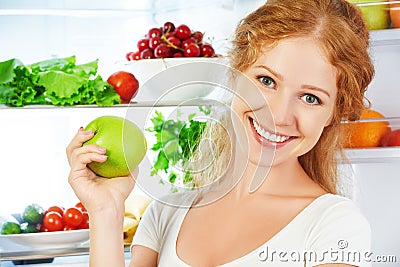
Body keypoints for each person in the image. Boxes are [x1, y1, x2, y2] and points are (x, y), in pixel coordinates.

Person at [67, 0, 375, 266]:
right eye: (266, 81)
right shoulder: (165, 214)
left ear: (335, 113)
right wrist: (106, 211)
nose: (278, 115)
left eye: (311, 98)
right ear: (234, 73)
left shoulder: (333, 225)